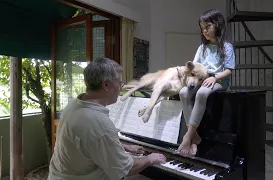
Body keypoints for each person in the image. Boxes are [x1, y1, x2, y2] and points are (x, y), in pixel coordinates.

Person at [48, 57, 166, 180]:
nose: (121, 87)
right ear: (106, 85)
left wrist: (125, 146)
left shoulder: (76, 103)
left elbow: (92, 141)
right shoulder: (98, 122)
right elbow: (126, 169)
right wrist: (149, 159)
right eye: (119, 83)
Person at [177, 9, 235, 155]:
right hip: (202, 79)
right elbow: (195, 67)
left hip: (219, 81)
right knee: (183, 91)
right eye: (202, 28)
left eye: (207, 27)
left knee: (202, 93)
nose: (204, 31)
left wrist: (215, 77)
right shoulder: (202, 48)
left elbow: (229, 70)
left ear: (218, 25)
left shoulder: (227, 47)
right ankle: (195, 136)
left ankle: (188, 136)